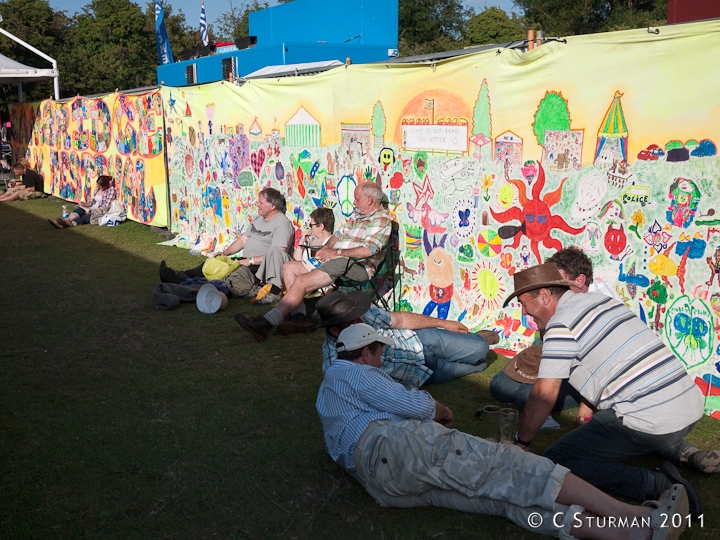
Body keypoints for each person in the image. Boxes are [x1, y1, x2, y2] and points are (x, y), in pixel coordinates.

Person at [316, 322, 689, 540]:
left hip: (381, 483)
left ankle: (629, 536)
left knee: (504, 499)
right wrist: (443, 412)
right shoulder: (353, 372)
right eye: (378, 352)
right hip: (393, 446)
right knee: (507, 465)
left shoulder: (328, 393)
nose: (381, 359)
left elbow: (343, 448)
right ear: (364, 352)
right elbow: (418, 406)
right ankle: (634, 517)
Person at [507, 262, 719, 519]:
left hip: (651, 420)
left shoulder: (561, 324)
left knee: (559, 459)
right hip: (688, 407)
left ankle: (656, 484)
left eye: (522, 302)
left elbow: (544, 394)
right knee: (621, 421)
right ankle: (683, 452)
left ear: (544, 295)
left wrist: (522, 442)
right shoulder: (600, 301)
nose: (524, 310)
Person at [235, 181, 393, 341]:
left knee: (302, 281)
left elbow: (369, 250)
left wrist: (336, 252)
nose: (354, 202)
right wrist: (326, 248)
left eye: (357, 199)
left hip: (356, 266)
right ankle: (299, 318)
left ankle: (267, 322)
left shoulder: (382, 220)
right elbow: (337, 235)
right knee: (289, 268)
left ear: (369, 200)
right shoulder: (357, 217)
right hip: (337, 259)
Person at [491, 248, 605, 418]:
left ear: (580, 280)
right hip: (558, 364)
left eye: (558, 281)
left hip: (586, 375)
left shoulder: (602, 303)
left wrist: (586, 408)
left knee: (527, 398)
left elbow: (601, 367)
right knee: (499, 386)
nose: (554, 287)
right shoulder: (556, 300)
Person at [313, 290, 498, 387]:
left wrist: (443, 323)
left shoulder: (360, 311)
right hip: (419, 375)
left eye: (359, 315)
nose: (361, 319)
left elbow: (398, 319)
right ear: (336, 331)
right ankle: (467, 350)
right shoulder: (335, 365)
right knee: (479, 365)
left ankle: (475, 340)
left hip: (419, 339)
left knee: (480, 349)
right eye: (353, 321)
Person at [160, 188, 293, 304]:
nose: (256, 204)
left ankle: (181, 286)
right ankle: (181, 276)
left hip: (258, 267)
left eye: (260, 202)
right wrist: (226, 253)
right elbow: (243, 240)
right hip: (245, 260)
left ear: (272, 206)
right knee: (214, 262)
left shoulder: (281, 224)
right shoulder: (259, 219)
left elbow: (277, 256)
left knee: (223, 278)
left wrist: (250, 261)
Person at [48, 175, 117, 228]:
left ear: (106, 186)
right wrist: (84, 204)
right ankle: (67, 221)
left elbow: (106, 207)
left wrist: (92, 211)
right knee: (79, 209)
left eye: (100, 187)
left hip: (100, 210)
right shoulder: (97, 189)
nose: (98, 188)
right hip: (93, 207)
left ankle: (65, 223)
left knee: (86, 217)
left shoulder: (111, 190)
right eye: (98, 186)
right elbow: (91, 202)